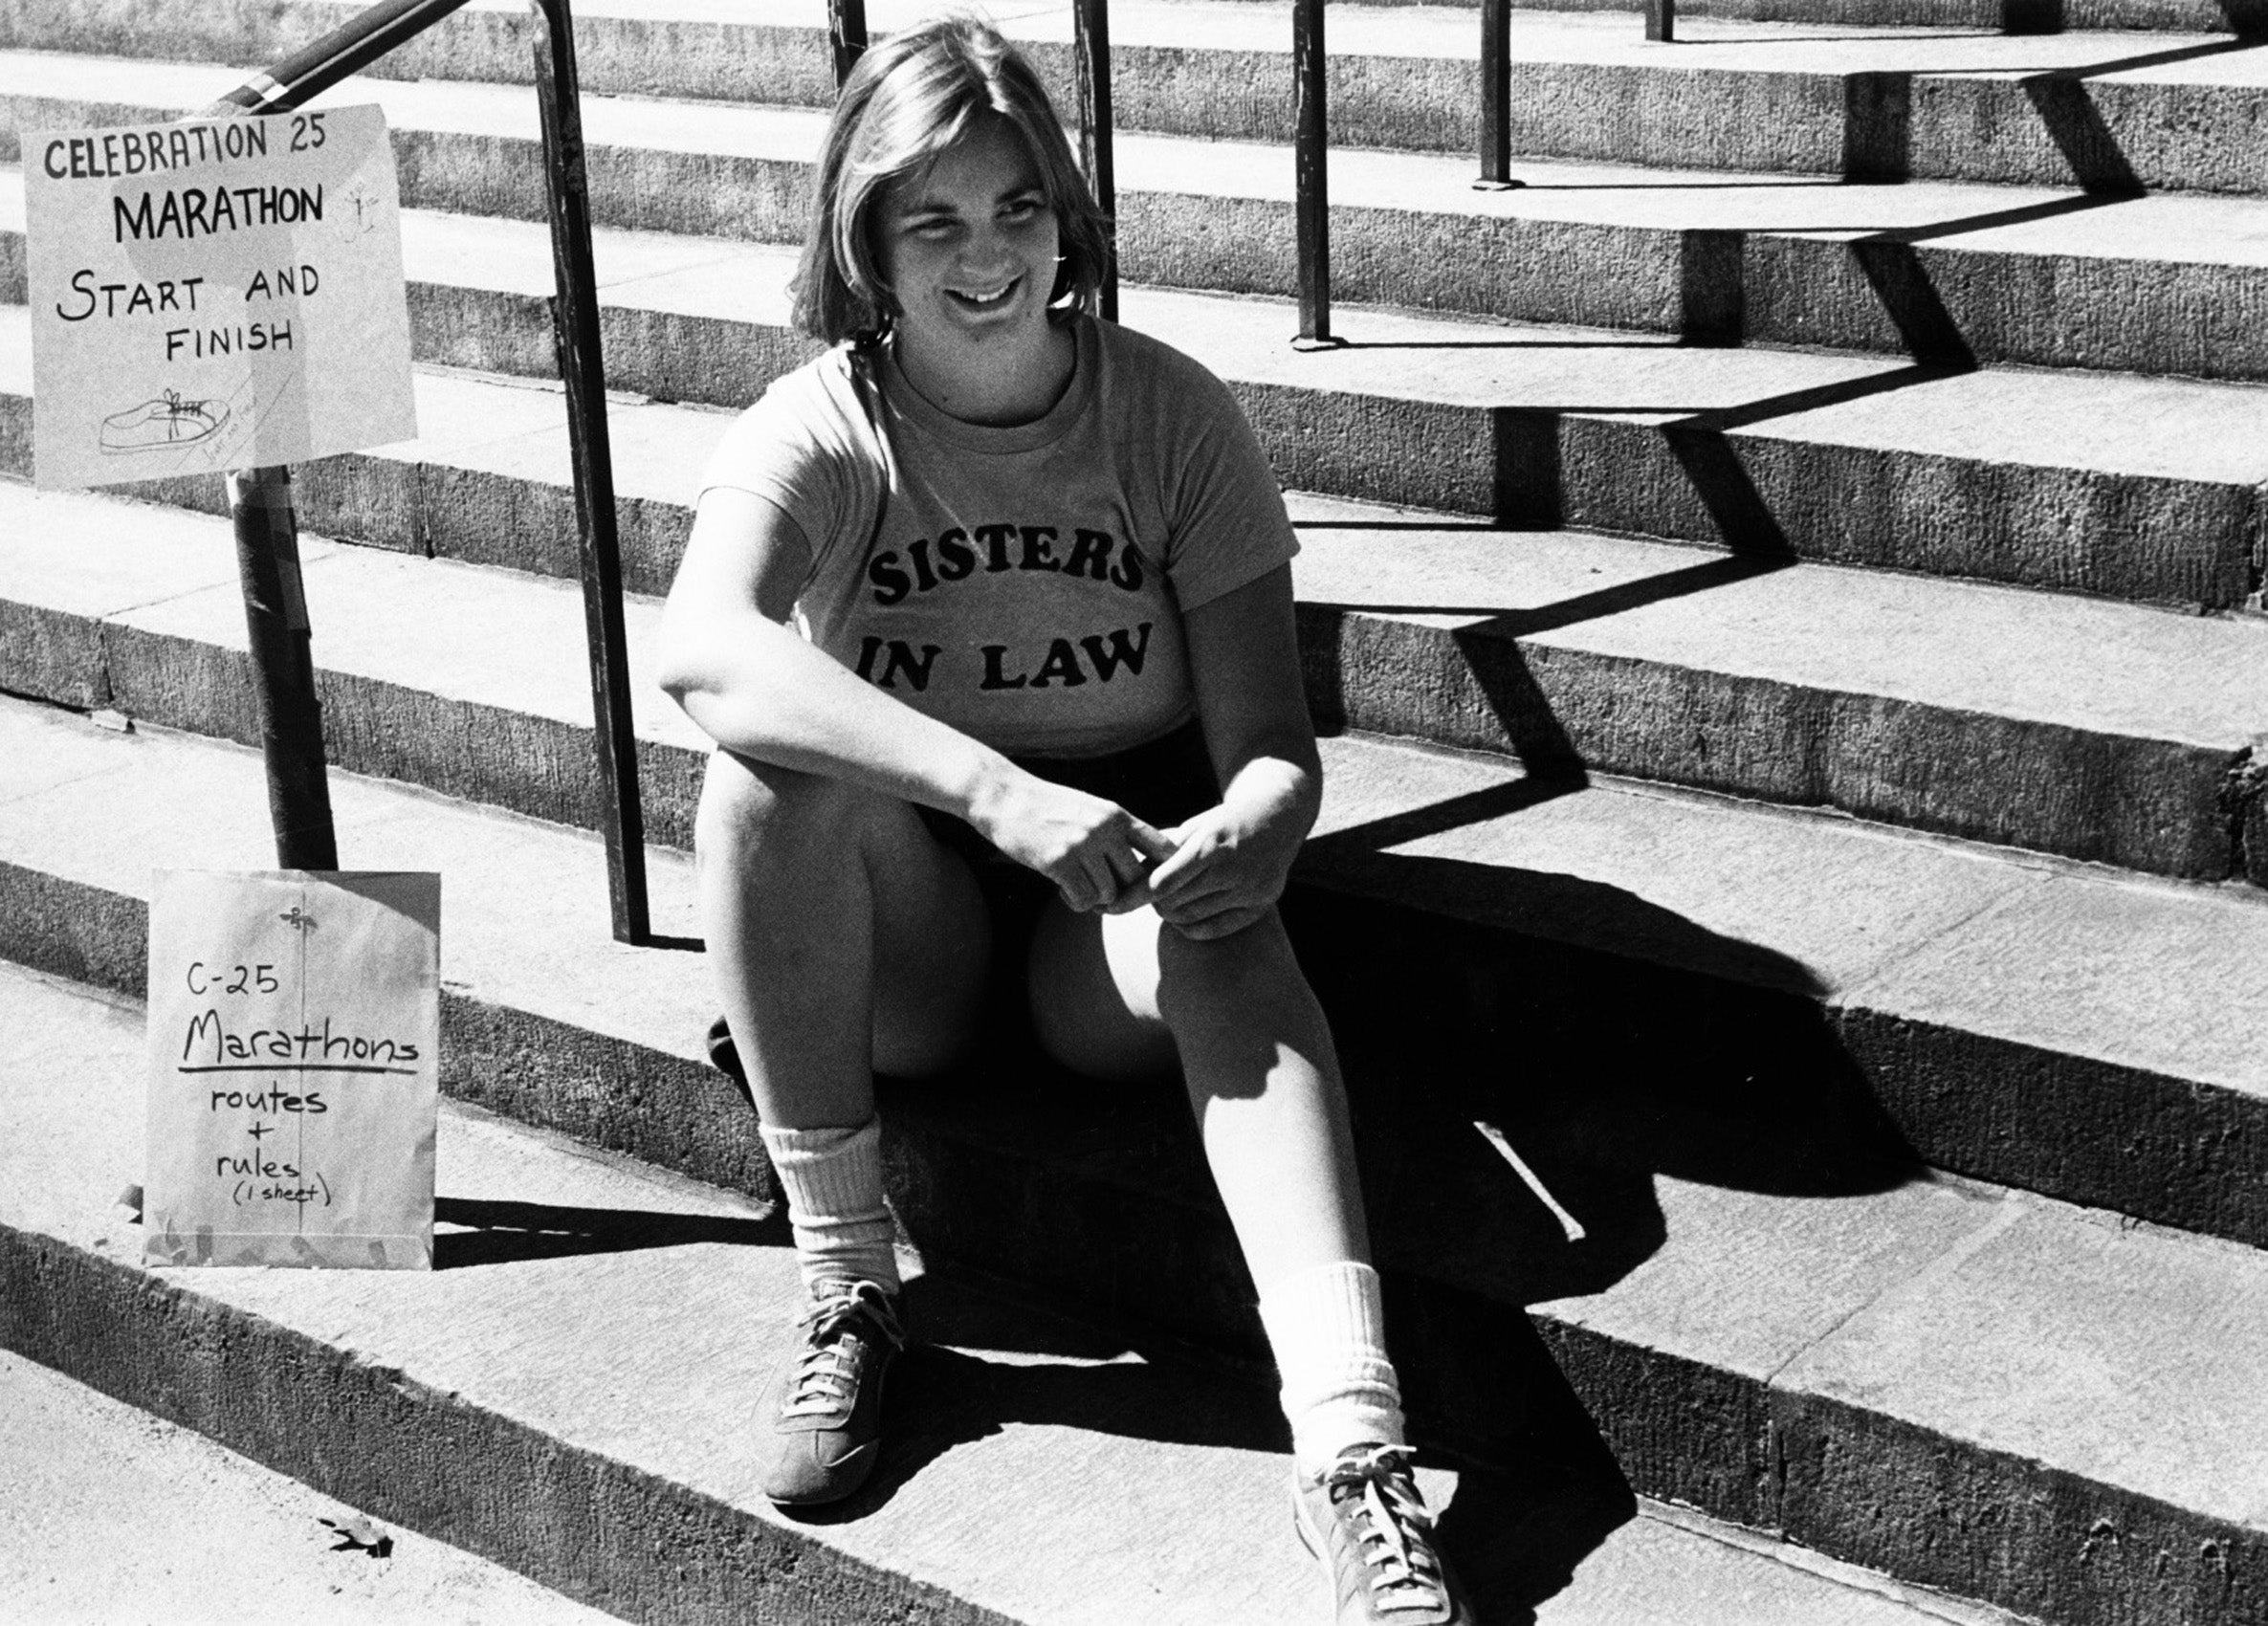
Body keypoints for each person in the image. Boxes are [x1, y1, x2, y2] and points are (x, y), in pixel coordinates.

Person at [656, 16, 1470, 1624]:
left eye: (1017, 209)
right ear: (866, 240)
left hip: (1106, 916)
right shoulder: (826, 423)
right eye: (934, 219)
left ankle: (1353, 1453)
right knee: (763, 764)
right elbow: (702, 645)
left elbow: (1274, 748)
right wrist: (989, 789)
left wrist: (1256, 824)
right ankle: (849, 1288)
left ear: (1069, 220)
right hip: (912, 927)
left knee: (1226, 909)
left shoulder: (1168, 413)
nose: (986, 257)